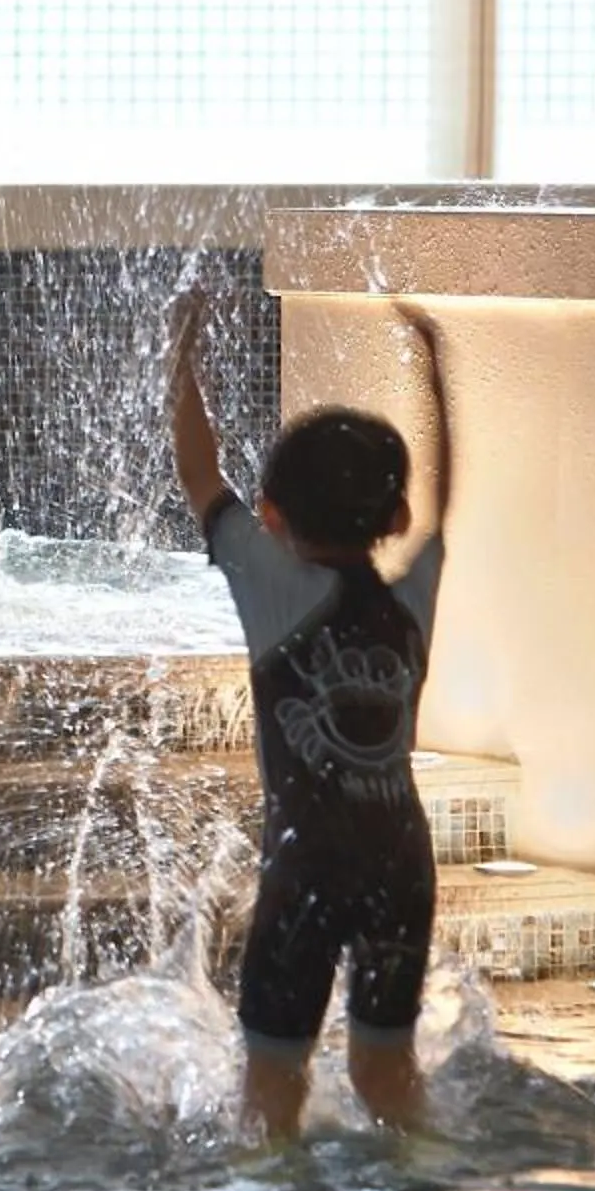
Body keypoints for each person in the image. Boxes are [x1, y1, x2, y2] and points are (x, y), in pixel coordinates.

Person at [167, 283, 451, 1139]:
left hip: (307, 870)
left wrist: (183, 350)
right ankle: (424, 1183)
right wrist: (434, 367)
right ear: (397, 515)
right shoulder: (415, 596)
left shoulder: (273, 588)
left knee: (272, 1089)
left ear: (271, 515)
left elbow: (197, 472)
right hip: (403, 866)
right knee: (387, 1075)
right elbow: (448, 499)